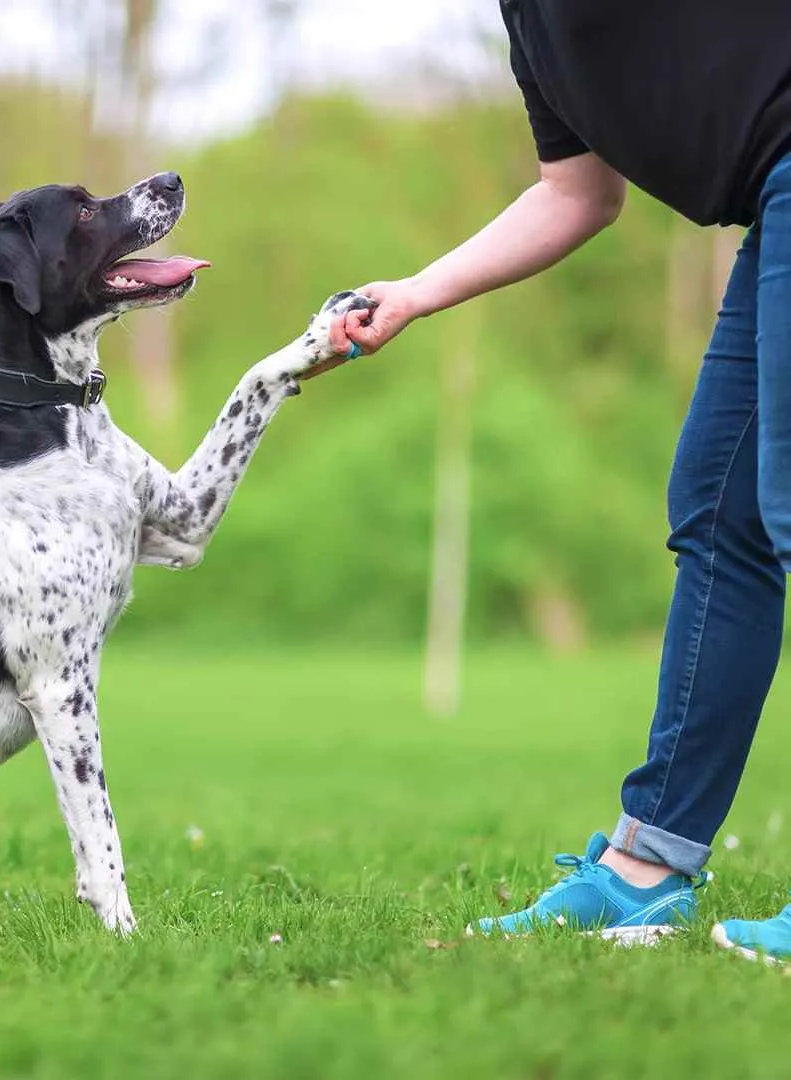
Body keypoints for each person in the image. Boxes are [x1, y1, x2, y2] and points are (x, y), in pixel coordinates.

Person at [326, 0, 791, 961]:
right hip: (772, 201)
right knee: (722, 511)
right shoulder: (532, 24)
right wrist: (416, 292)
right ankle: (648, 865)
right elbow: (578, 194)